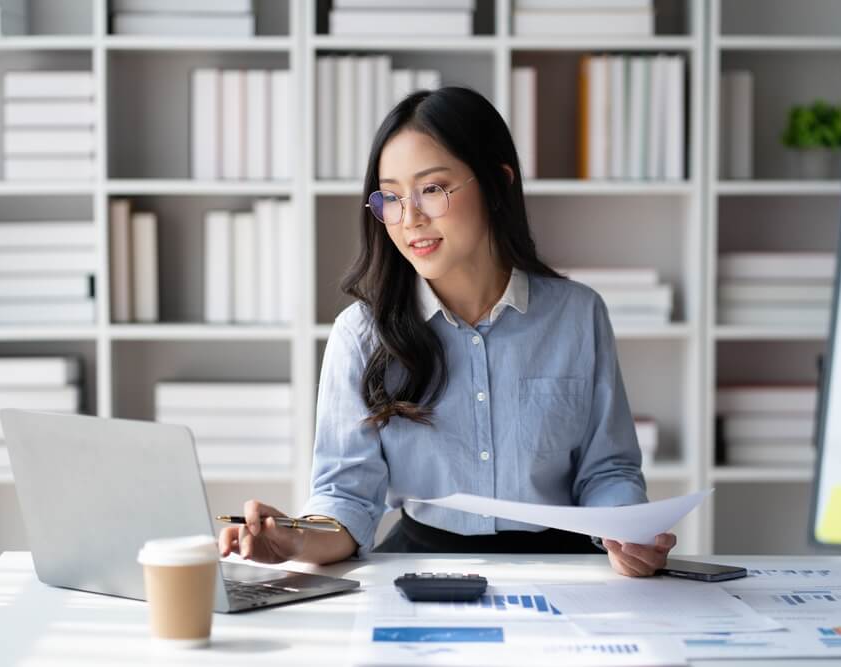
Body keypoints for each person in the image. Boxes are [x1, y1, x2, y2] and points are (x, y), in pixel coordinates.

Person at [218, 86, 676, 577]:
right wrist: (293, 539)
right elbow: (346, 497)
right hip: (421, 566)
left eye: (432, 189)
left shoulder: (577, 314)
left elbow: (608, 469)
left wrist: (629, 528)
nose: (409, 218)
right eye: (390, 197)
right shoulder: (359, 336)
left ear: (497, 184)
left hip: (567, 568)